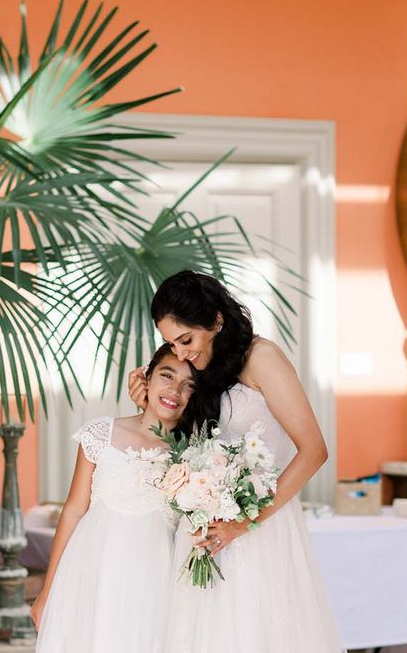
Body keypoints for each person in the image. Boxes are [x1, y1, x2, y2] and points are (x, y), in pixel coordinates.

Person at [128, 270, 344, 652]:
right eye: (170, 345)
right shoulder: (202, 367)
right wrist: (146, 403)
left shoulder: (263, 359)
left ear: (216, 320)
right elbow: (184, 445)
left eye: (185, 340)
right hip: (202, 536)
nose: (180, 354)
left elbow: (314, 451)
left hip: (259, 532)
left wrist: (244, 524)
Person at [31, 344, 197, 652]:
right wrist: (48, 590)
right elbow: (73, 511)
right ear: (145, 379)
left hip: (153, 582)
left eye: (188, 385)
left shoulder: (193, 456)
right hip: (92, 572)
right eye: (167, 375)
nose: (175, 390)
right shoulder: (101, 434)